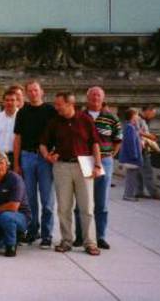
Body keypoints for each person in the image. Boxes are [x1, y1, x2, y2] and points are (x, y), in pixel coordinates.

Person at [40, 92, 103, 256]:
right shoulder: (54, 122)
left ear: (70, 104)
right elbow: (43, 143)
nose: (56, 107)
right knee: (64, 207)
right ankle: (66, 240)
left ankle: (90, 242)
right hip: (62, 167)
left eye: (59, 104)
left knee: (87, 207)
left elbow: (95, 143)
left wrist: (97, 164)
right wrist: (47, 156)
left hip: (84, 165)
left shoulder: (85, 120)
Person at [73, 86, 122, 249]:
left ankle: (100, 236)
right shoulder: (79, 116)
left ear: (103, 98)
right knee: (81, 201)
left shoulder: (111, 118)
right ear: (87, 98)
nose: (95, 98)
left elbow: (118, 139)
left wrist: (109, 155)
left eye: (98, 95)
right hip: (83, 160)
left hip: (105, 161)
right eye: (92, 95)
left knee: (101, 202)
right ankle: (80, 235)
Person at [12, 80, 57, 247]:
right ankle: (32, 231)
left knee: (47, 199)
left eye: (35, 90)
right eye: (29, 91)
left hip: (45, 159)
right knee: (30, 199)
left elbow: (58, 134)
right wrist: (16, 164)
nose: (33, 93)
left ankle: (47, 234)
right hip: (27, 157)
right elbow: (17, 139)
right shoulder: (22, 112)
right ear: (26, 93)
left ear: (41, 91)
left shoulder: (51, 111)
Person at [136, 106, 160, 200]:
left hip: (138, 149)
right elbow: (137, 132)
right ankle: (154, 193)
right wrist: (150, 136)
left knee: (139, 172)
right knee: (147, 172)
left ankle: (139, 191)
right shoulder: (139, 120)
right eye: (153, 113)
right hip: (142, 149)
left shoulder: (140, 119)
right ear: (148, 111)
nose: (153, 116)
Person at [121, 109, 144, 201]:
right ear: (132, 116)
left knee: (131, 177)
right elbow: (131, 143)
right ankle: (128, 195)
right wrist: (134, 156)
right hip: (132, 158)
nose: (138, 117)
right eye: (137, 115)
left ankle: (128, 194)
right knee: (131, 178)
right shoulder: (130, 127)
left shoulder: (130, 126)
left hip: (131, 157)